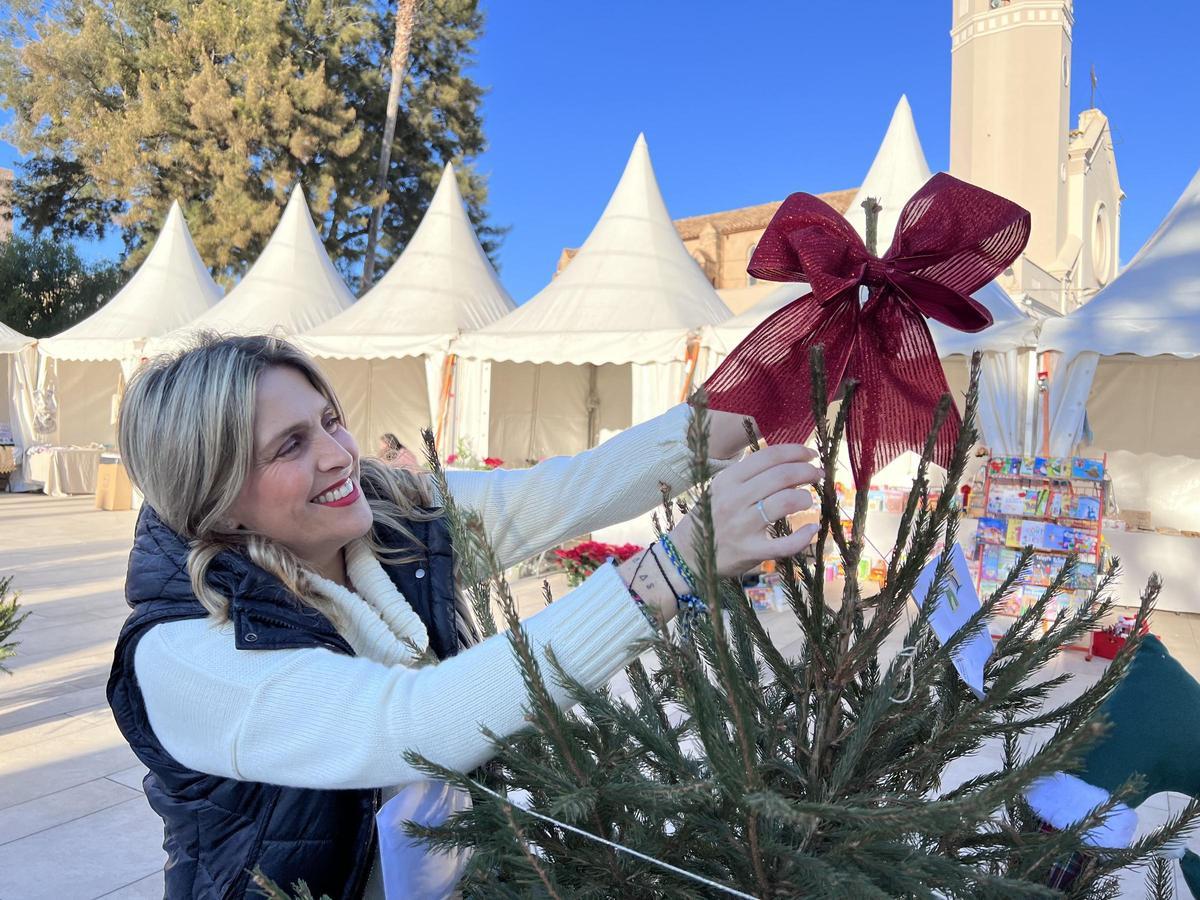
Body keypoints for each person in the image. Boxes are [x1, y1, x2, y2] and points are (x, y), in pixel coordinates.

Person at [107, 333, 820, 899]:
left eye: (331, 421)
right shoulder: (185, 654)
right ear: (214, 493)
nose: (338, 455)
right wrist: (670, 568)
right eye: (290, 445)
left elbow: (564, 492)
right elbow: (413, 724)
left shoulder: (389, 519)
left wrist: (764, 391)